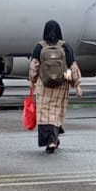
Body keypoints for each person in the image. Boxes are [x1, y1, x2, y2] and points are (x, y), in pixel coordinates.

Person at [29, 19, 80, 153]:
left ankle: (50, 140)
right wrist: (75, 83)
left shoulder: (39, 47)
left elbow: (34, 67)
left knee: (44, 114)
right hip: (60, 86)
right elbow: (72, 67)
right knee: (56, 113)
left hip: (44, 85)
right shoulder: (65, 47)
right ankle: (53, 139)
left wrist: (33, 80)